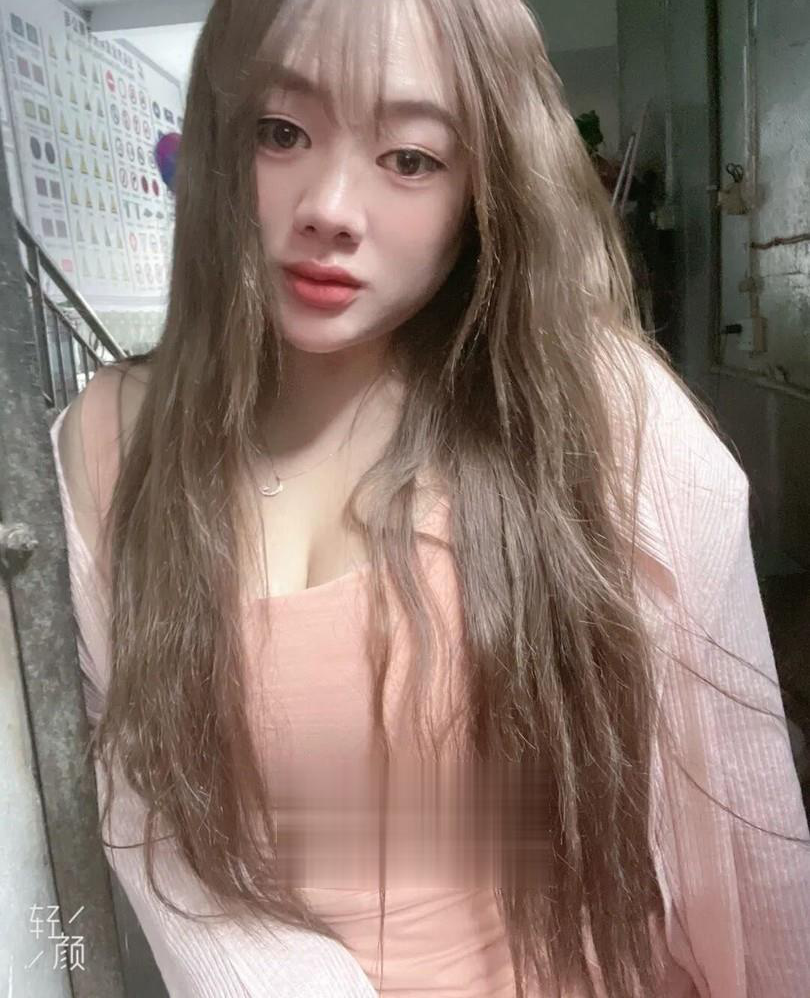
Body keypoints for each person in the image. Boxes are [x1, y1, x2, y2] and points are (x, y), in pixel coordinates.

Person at [50, 0, 810, 995]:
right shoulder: (109, 441)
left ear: (486, 183)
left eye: (410, 158)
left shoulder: (599, 416)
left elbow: (749, 853)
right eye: (282, 131)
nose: (329, 205)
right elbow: (144, 812)